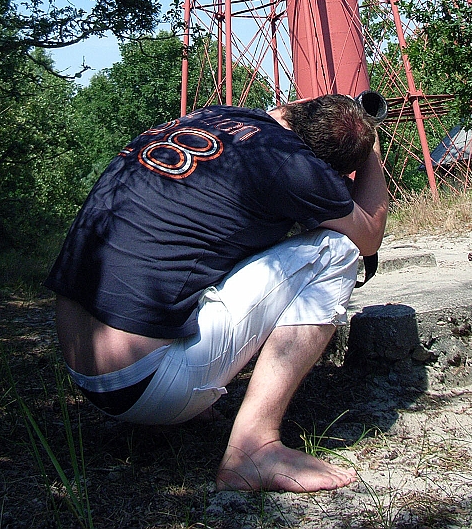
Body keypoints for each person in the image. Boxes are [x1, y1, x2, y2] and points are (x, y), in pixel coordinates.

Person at [46, 94, 387, 491]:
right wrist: (371, 149)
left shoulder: (213, 116)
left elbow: (282, 114)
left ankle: (184, 388)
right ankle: (254, 449)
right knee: (336, 249)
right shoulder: (294, 166)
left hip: (83, 364)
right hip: (139, 384)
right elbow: (369, 238)